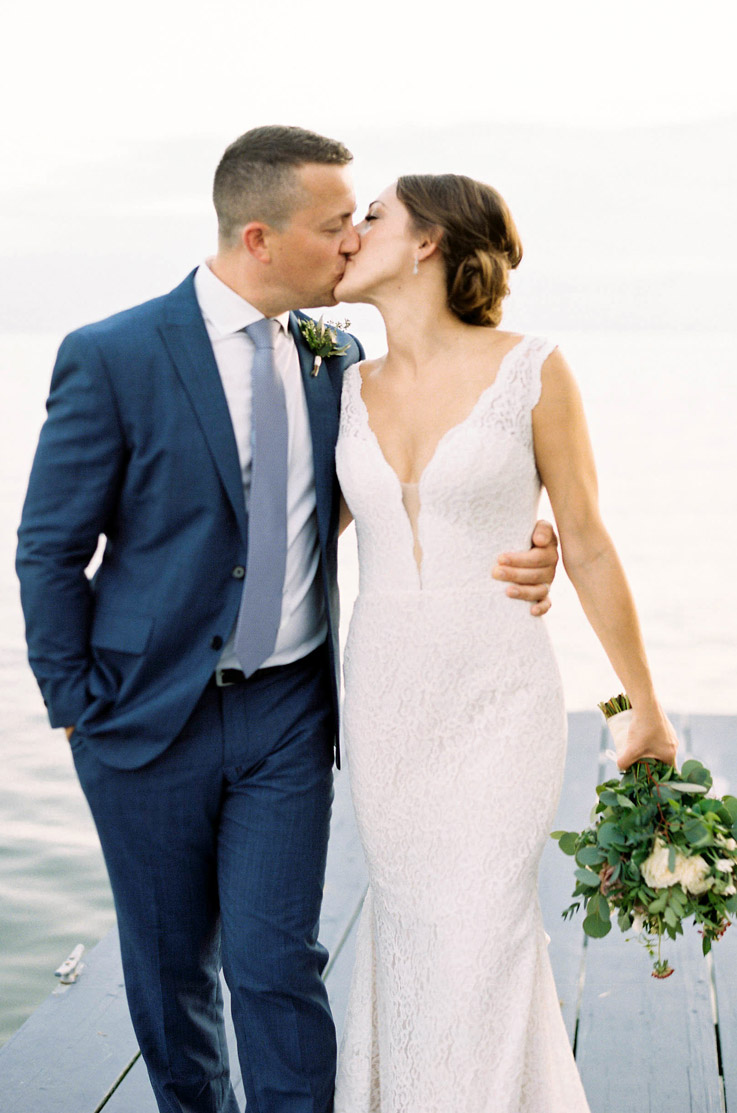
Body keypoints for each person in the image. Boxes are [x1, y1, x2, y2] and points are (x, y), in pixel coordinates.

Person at [15, 129, 559, 1113]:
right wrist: (73, 706)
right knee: (171, 969)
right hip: (143, 718)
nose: (353, 240)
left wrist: (525, 544)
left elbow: (386, 498)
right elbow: (49, 551)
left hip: (287, 716)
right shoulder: (114, 355)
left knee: (276, 961)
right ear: (260, 238)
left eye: (361, 219)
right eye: (334, 223)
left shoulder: (336, 361)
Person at [332, 174, 678, 1113]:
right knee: (411, 932)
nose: (349, 230)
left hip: (495, 698)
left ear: (429, 243)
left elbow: (588, 539)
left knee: (482, 931)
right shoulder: (342, 382)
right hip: (386, 705)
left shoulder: (532, 366)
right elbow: (295, 540)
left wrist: (641, 704)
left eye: (371, 215)